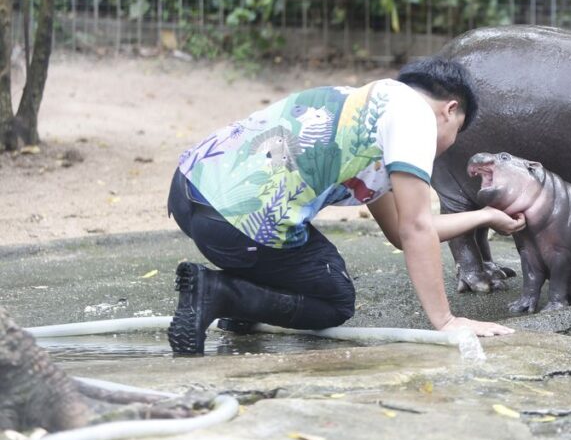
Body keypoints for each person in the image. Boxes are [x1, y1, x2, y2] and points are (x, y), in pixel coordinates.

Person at [166, 57, 525, 355]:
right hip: (238, 223)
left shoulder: (372, 108)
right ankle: (218, 293)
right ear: (450, 110)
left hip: (189, 193)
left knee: (299, 255)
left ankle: (240, 306)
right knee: (334, 297)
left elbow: (403, 232)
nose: (447, 146)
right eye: (457, 132)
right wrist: (446, 322)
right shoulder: (416, 118)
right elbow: (417, 230)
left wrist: (486, 216)